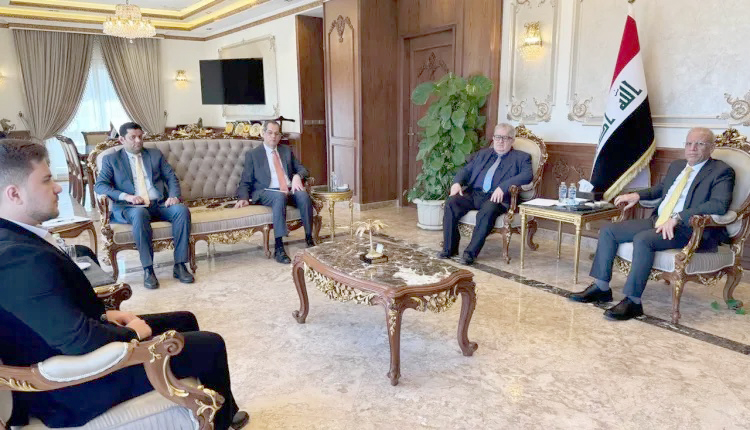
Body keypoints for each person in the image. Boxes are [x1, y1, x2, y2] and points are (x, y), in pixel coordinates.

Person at [0, 140, 248, 429]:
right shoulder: (16, 257)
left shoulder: (16, 238)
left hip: (68, 351)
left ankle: (222, 412)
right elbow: (77, 340)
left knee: (185, 319)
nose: (57, 187)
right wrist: (132, 334)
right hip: (72, 388)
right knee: (210, 345)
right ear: (14, 194)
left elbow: (51, 314)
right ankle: (219, 422)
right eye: (46, 180)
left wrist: (106, 314)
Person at [569, 127, 735, 320]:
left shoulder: (722, 171)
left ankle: (633, 302)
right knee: (609, 230)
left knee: (643, 239)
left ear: (712, 148)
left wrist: (678, 217)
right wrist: (637, 195)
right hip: (659, 220)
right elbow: (661, 189)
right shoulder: (678, 166)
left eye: (700, 144)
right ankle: (601, 288)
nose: (692, 148)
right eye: (689, 143)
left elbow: (718, 205)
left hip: (689, 228)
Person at [95, 122, 193, 289]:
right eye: (133, 137)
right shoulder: (111, 159)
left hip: (158, 203)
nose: (138, 141)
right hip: (130, 207)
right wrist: (126, 196)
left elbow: (171, 177)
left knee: (181, 211)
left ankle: (180, 265)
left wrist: (174, 196)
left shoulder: (154, 154)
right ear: (121, 140)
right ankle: (148, 270)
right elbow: (100, 185)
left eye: (140, 137)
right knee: (140, 215)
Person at [439, 123, 534, 265]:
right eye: (498, 137)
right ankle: (449, 249)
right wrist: (457, 183)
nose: (500, 141)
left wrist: (503, 187)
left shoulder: (521, 157)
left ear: (512, 140)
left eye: (505, 138)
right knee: (451, 202)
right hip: (475, 194)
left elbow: (527, 175)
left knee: (487, 210)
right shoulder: (483, 154)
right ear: (493, 138)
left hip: (497, 198)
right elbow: (466, 170)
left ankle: (470, 254)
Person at [235, 120, 315, 263]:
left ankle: (309, 239)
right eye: (270, 133)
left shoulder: (286, 151)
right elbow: (245, 180)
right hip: (266, 192)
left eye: (277, 134)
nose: (273, 136)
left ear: (280, 136)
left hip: (288, 190)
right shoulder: (253, 154)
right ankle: (279, 248)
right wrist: (243, 198)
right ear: (263, 134)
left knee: (303, 196)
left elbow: (303, 169)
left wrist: (297, 176)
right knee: (279, 197)